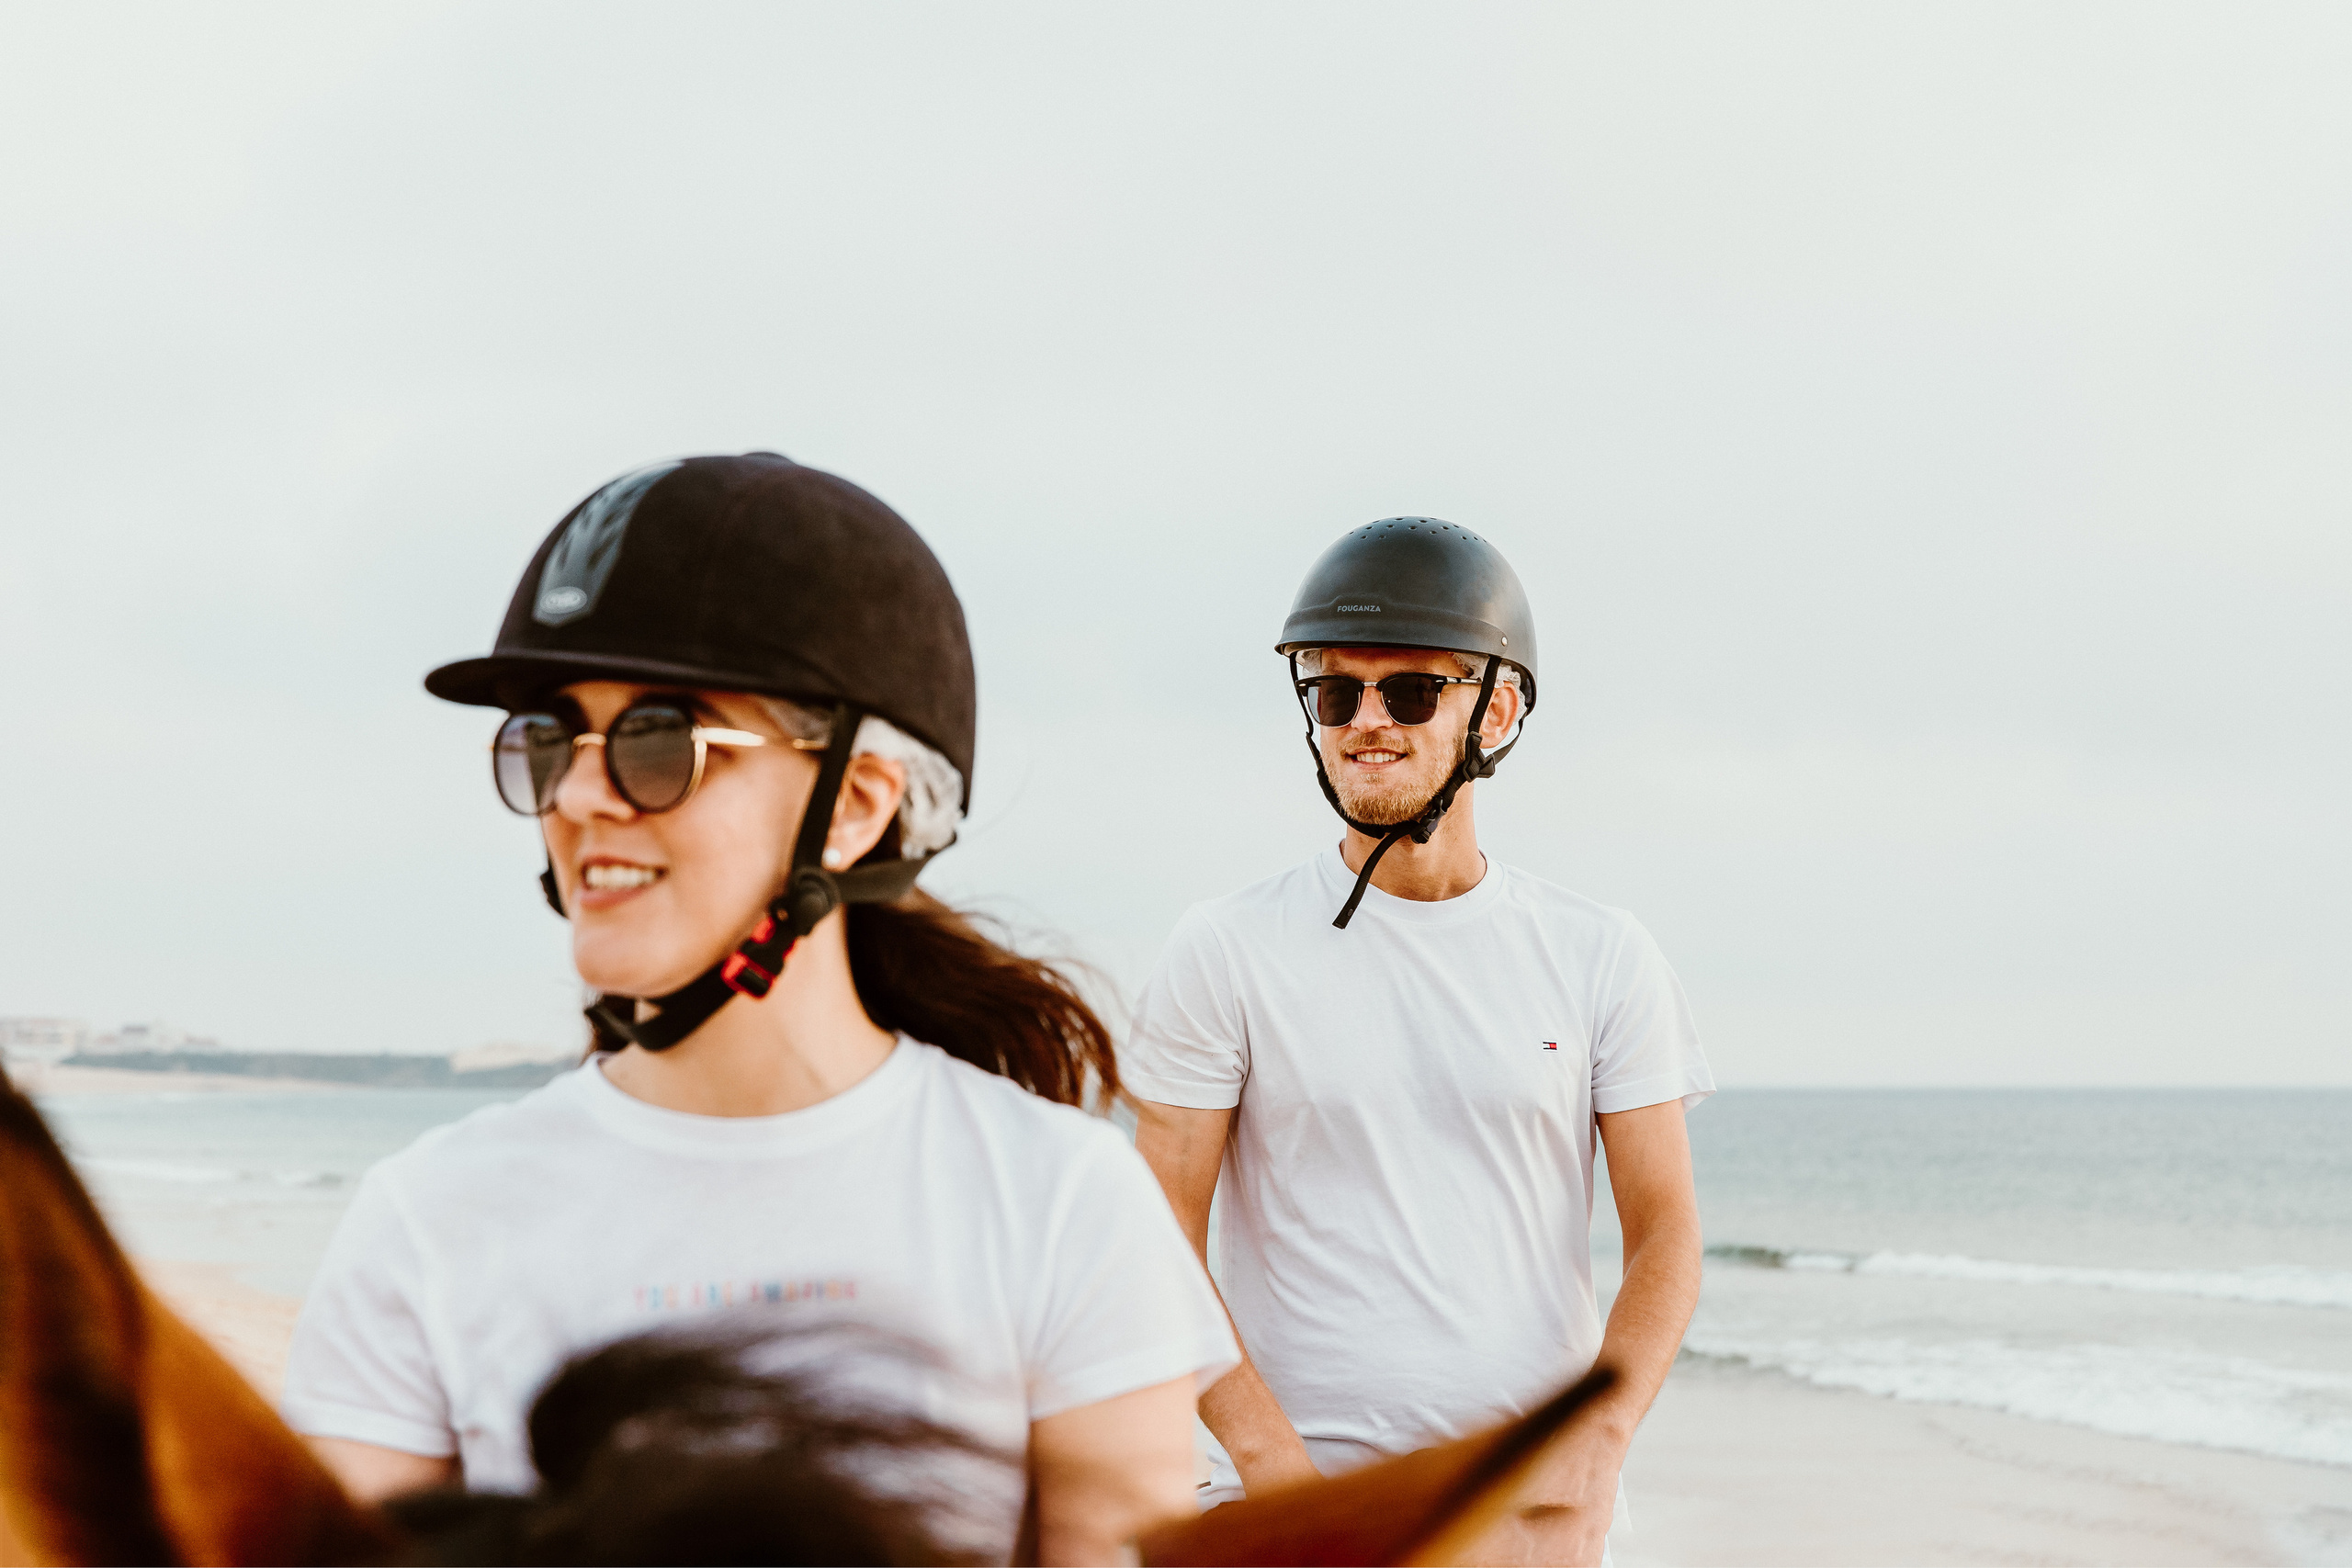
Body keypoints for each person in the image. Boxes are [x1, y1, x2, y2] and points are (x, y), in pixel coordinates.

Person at [282, 453, 1237, 1565]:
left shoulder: (1063, 1202)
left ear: (856, 808)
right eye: (549, 741)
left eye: (655, 742)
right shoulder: (427, 1219)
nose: (580, 795)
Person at [1125, 518, 1713, 1567]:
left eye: (1408, 692)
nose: (1364, 723)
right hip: (1299, 1507)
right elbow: (1157, 1230)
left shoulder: (1600, 953)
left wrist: (1599, 1443)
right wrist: (1276, 1473)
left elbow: (1663, 1228)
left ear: (1496, 709)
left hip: (1531, 1511)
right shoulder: (1224, 947)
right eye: (1333, 693)